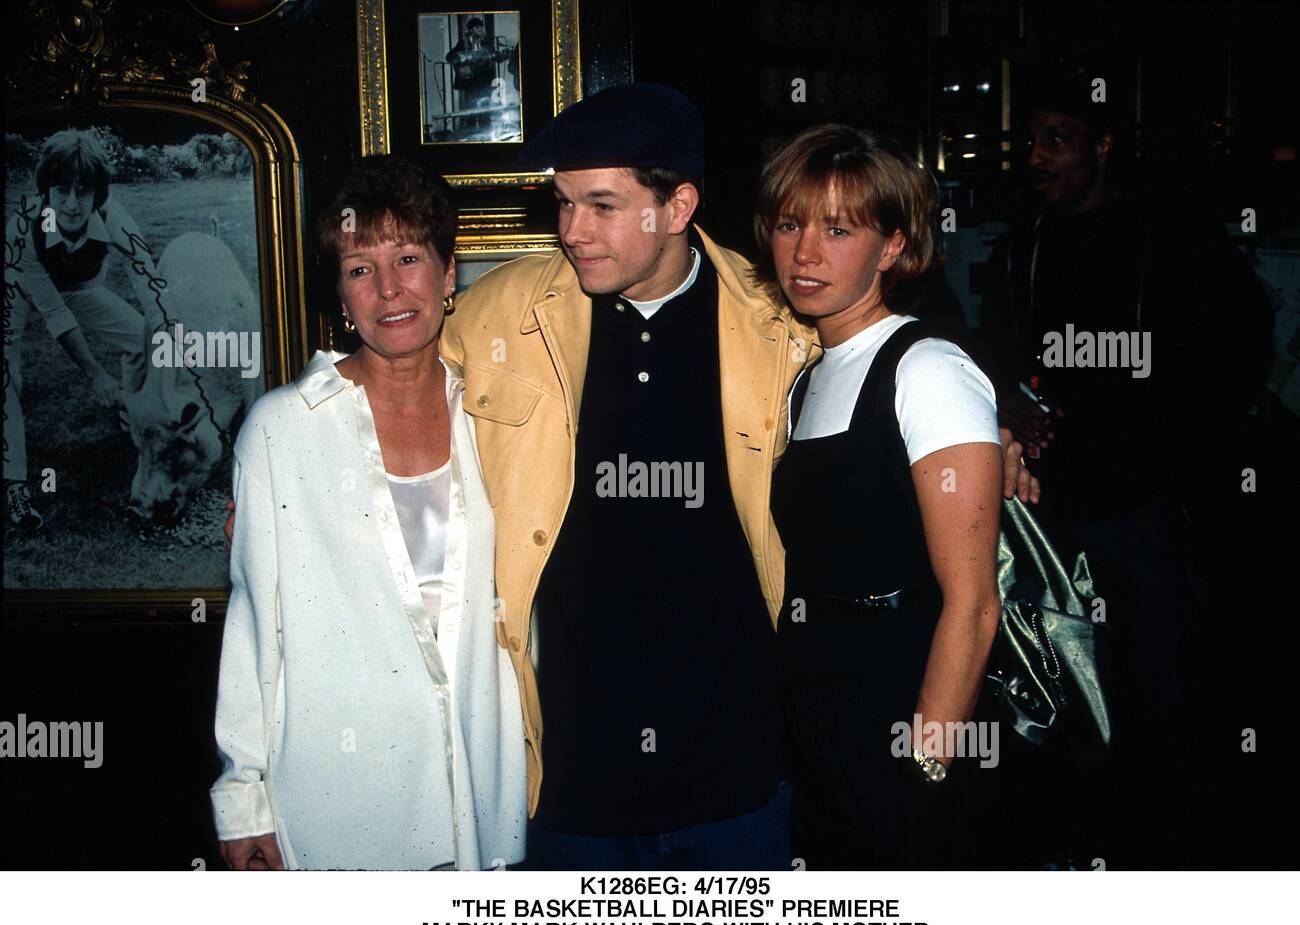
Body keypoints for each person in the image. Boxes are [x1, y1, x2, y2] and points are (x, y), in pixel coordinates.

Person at [435, 84, 1035, 869]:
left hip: (745, 764)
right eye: (564, 203)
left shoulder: (779, 323)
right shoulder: (503, 314)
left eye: (603, 206)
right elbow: (400, 395)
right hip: (569, 764)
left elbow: (907, 390)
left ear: (677, 206)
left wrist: (988, 440)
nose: (571, 231)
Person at [978, 66, 1274, 868]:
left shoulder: (1168, 236)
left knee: (1164, 710)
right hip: (1048, 522)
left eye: (1057, 140)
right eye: (1029, 141)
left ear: (1103, 145)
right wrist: (1011, 401)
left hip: (1144, 517)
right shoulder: (1022, 245)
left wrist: (1161, 429)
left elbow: (1241, 345)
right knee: (1064, 709)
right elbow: (999, 352)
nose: (1036, 157)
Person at [210, 155, 526, 870]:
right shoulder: (281, 430)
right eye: (360, 268)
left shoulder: (497, 417)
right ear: (341, 295)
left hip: (482, 787)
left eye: (410, 258)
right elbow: (256, 628)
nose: (389, 289)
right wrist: (243, 798)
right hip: (340, 802)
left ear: (450, 277)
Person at [752, 124, 1007, 869]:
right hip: (818, 715)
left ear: (892, 246)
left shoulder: (927, 367)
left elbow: (974, 603)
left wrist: (927, 766)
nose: (805, 253)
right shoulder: (806, 377)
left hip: (906, 705)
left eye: (838, 229)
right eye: (791, 224)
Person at [3, 129, 165, 530]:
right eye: (61, 191)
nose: (72, 204)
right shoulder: (23, 229)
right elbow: (55, 314)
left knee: (146, 337)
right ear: (46, 191)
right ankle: (13, 485)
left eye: (83, 191)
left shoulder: (115, 218)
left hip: (80, 287)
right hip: (17, 287)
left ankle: (135, 421)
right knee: (7, 374)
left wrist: (171, 336)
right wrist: (95, 374)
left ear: (99, 194)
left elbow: (150, 284)